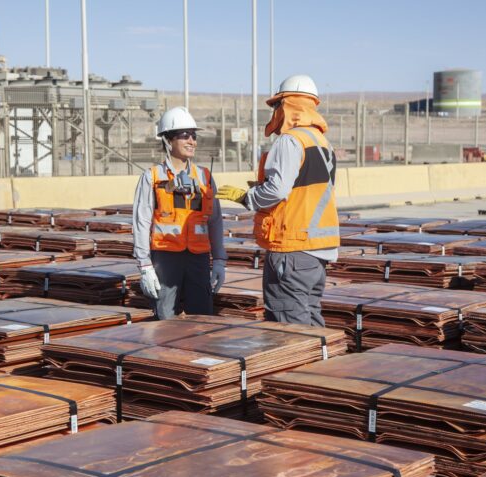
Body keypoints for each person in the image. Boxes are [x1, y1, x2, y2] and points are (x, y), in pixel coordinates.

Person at [216, 75, 338, 326]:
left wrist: (246, 197)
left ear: (288, 105)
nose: (274, 112)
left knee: (288, 325)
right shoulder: (323, 143)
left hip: (292, 248)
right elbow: (302, 192)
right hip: (318, 251)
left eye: (276, 106)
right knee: (311, 319)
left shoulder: (290, 140)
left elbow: (279, 190)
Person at [132, 106, 227, 320]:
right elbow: (141, 222)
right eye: (185, 136)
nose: (192, 141)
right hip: (165, 258)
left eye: (193, 136)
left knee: (202, 320)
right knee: (165, 320)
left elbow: (215, 221)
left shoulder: (204, 176)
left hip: (198, 258)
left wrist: (220, 260)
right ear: (167, 140)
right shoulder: (152, 177)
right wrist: (145, 266)